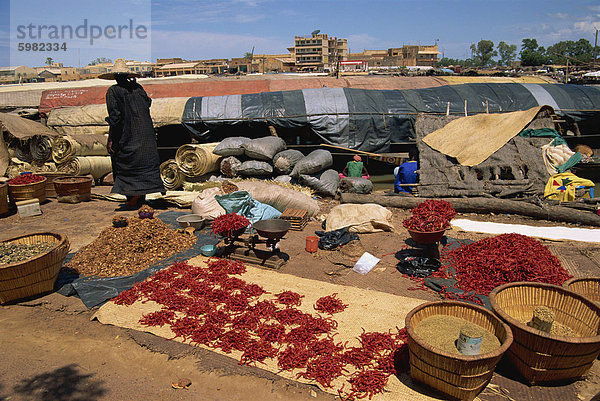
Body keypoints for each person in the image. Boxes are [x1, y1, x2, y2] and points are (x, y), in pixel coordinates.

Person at [100, 59, 164, 209]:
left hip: (128, 136)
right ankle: (140, 197)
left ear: (116, 76)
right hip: (146, 135)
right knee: (144, 165)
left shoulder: (113, 91)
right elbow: (147, 103)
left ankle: (134, 198)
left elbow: (115, 119)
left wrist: (111, 140)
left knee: (126, 165)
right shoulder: (138, 88)